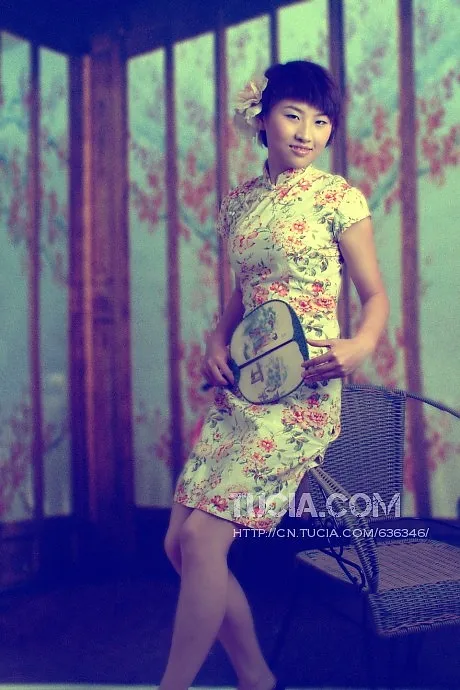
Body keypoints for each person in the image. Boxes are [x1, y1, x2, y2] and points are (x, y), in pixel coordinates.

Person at [160, 60, 389, 690]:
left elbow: (375, 295)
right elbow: (246, 291)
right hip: (245, 385)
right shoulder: (238, 203)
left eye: (321, 121)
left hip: (303, 390)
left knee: (203, 541)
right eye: (292, 115)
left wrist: (361, 344)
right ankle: (256, 675)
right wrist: (217, 339)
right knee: (179, 545)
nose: (307, 132)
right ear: (262, 119)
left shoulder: (339, 198)